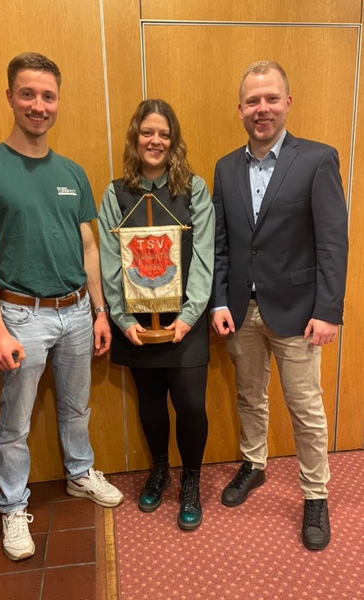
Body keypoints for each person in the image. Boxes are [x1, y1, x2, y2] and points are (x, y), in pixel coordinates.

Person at [0, 52, 123, 562]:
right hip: (21, 316)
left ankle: (79, 473)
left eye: (48, 96)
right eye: (28, 94)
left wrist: (99, 311)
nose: (38, 105)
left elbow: (89, 246)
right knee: (16, 423)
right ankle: (12, 506)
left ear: (58, 101)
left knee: (77, 407)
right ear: (10, 96)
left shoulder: (72, 172)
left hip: (76, 311)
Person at [210, 61, 348, 550]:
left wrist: (329, 310)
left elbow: (333, 242)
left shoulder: (317, 159)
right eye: (253, 101)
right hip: (240, 310)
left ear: (287, 103)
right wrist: (217, 302)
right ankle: (254, 464)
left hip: (298, 312)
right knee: (249, 396)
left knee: (305, 407)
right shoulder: (225, 168)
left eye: (271, 98)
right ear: (240, 109)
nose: (262, 108)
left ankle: (315, 494)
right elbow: (221, 244)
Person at [99, 99, 214, 531]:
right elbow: (109, 260)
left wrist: (188, 316)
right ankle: (161, 470)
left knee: (190, 404)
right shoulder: (115, 193)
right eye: (147, 132)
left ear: (174, 140)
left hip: (186, 320)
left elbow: (204, 257)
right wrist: (123, 319)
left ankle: (191, 480)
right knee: (150, 402)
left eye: (164, 134)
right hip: (135, 323)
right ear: (135, 137)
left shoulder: (194, 189)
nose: (155, 141)